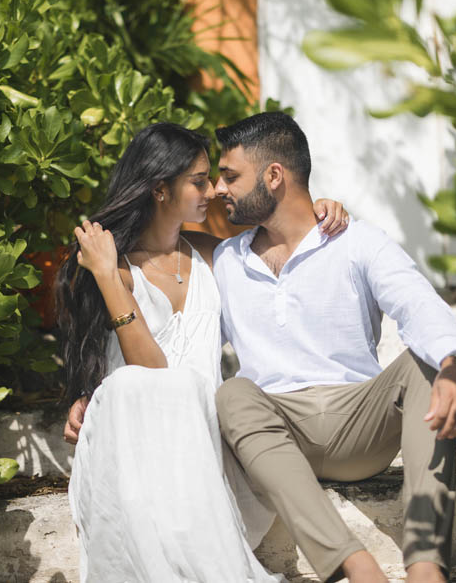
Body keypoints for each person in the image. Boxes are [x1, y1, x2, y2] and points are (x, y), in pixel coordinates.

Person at [55, 122, 349, 583]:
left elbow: (286, 240)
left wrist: (323, 209)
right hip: (141, 456)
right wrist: (109, 277)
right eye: (198, 181)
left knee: (196, 392)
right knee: (144, 383)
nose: (212, 190)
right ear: (159, 190)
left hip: (208, 452)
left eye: (212, 177)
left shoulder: (216, 254)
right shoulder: (114, 270)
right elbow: (150, 369)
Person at [210, 112, 456, 583]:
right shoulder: (225, 260)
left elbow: (416, 303)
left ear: (274, 176)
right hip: (276, 433)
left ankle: (425, 570)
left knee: (426, 363)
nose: (218, 188)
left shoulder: (357, 241)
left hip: (361, 424)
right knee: (233, 394)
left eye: (230, 175)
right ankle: (356, 569)